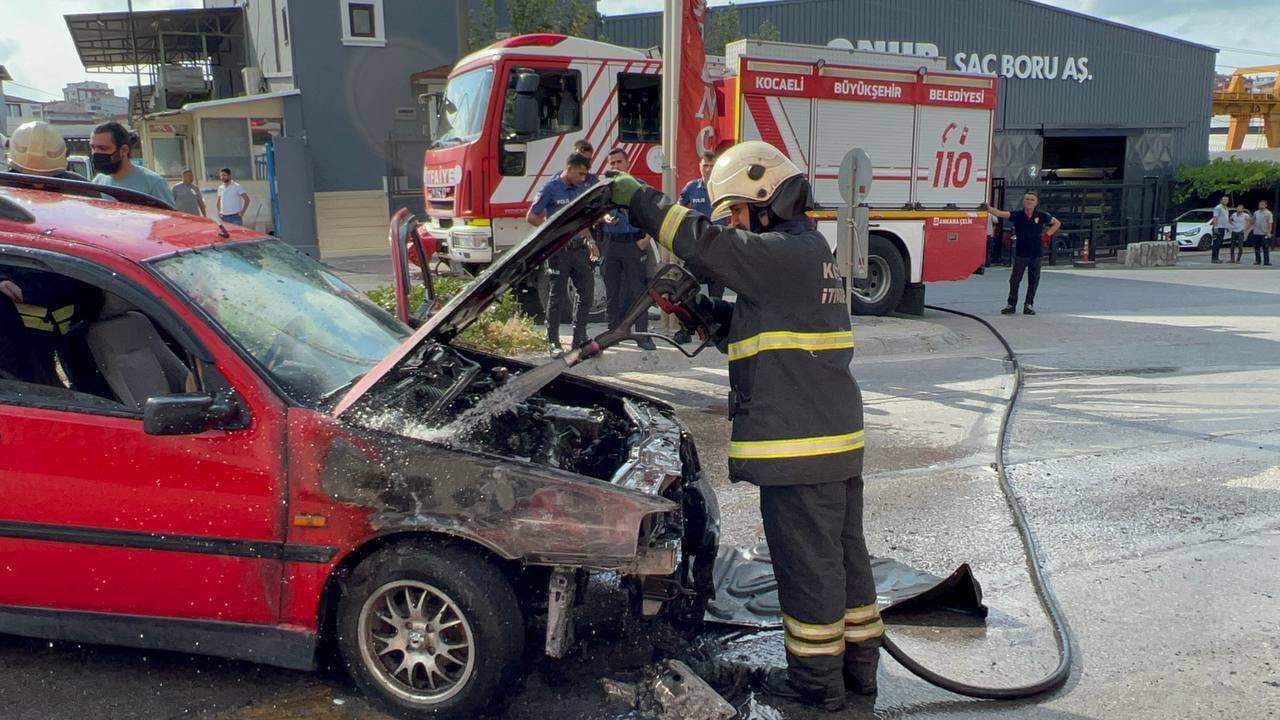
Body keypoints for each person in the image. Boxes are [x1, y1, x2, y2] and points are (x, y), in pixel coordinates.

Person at [608, 141, 878, 712]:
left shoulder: (781, 251)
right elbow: (768, 330)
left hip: (802, 447)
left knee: (808, 571)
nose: (733, 223)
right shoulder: (807, 252)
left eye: (734, 210)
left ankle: (814, 688)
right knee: (843, 567)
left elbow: (707, 244)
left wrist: (639, 201)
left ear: (763, 196)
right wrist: (708, 319)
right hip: (830, 441)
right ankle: (856, 677)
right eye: (728, 215)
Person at [527, 153, 599, 356]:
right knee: (557, 295)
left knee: (586, 291)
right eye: (579, 174)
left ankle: (579, 338)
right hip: (558, 250)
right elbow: (532, 216)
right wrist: (551, 230)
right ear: (569, 168)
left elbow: (581, 220)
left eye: (585, 174)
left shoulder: (580, 189)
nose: (583, 178)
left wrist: (591, 241)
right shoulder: (551, 188)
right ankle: (553, 342)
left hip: (578, 249)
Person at [600, 148, 655, 350]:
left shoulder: (639, 187)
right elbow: (594, 214)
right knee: (612, 290)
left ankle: (642, 335)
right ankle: (613, 332)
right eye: (611, 163)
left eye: (618, 162)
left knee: (638, 291)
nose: (615, 166)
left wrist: (646, 240)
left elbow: (653, 216)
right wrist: (604, 217)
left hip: (633, 244)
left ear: (627, 163)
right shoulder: (604, 188)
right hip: (611, 243)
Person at [674, 150, 726, 343]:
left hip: (718, 251)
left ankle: (713, 332)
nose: (708, 169)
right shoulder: (691, 188)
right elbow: (678, 212)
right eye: (705, 165)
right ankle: (686, 330)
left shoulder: (724, 187)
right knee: (686, 291)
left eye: (712, 166)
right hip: (695, 250)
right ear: (700, 166)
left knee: (716, 295)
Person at [988, 191, 1060, 316]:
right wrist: (988, 208)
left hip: (1036, 252)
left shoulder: (1041, 215)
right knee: (1015, 280)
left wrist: (1047, 235)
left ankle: (1029, 304)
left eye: (1032, 199)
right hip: (1022, 252)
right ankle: (1011, 304)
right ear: (1024, 201)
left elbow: (1057, 223)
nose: (1029, 201)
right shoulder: (1018, 215)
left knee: (1033, 280)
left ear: (1036, 202)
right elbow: (1000, 213)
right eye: (1027, 199)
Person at [89, 121, 175, 206]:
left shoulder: (153, 184)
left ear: (124, 150)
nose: (96, 153)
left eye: (103, 148)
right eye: (93, 147)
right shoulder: (98, 182)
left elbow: (170, 218)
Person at [5, 121, 86, 180]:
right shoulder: (81, 188)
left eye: (48, 176)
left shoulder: (81, 190)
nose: (38, 185)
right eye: (28, 178)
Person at [1210, 195, 1231, 264]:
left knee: (1219, 243)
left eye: (1226, 200)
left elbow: (1226, 218)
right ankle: (1214, 258)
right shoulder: (1218, 208)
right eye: (1224, 199)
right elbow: (1215, 217)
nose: (1225, 201)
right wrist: (1215, 227)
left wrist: (1227, 227)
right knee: (1216, 243)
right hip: (1218, 227)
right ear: (1221, 200)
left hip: (1223, 228)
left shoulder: (1226, 208)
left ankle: (1217, 257)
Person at [1252, 199, 1273, 266]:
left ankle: (1266, 262)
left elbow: (1270, 223)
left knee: (1265, 248)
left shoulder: (1268, 213)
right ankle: (1258, 260)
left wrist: (1269, 232)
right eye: (1259, 204)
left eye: (1262, 204)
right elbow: (1253, 221)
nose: (1260, 205)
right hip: (1256, 232)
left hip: (1264, 233)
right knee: (1256, 247)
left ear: (1266, 205)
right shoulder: (1256, 212)